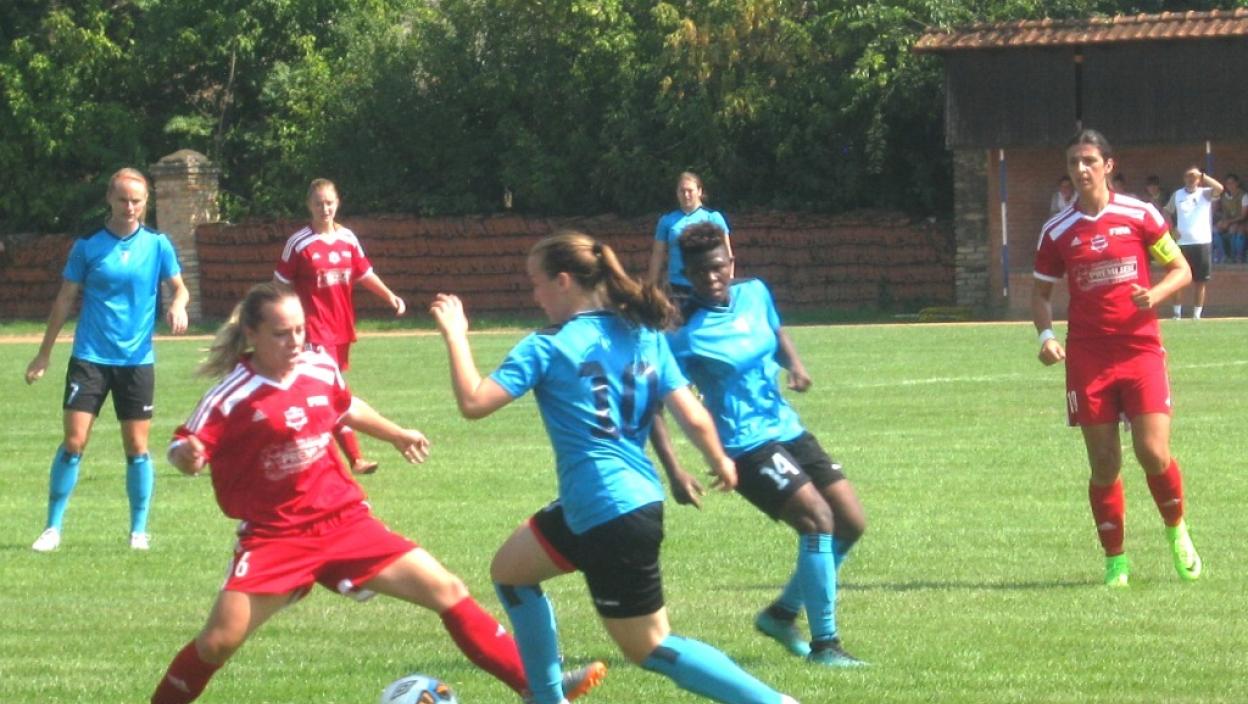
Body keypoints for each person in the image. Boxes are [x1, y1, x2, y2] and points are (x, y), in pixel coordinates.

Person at [149, 283, 605, 704]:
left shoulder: (318, 366)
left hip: (343, 520)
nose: (295, 342)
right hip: (277, 535)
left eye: (300, 330)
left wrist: (396, 433)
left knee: (447, 590)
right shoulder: (232, 394)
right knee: (217, 642)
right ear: (251, 334)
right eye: (281, 334)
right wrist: (187, 457)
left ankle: (536, 688)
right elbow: (183, 446)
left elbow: (345, 407)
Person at [431, 232, 798, 704]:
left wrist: (455, 336)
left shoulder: (549, 345)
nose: (535, 295)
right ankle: (546, 698)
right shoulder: (644, 335)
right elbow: (692, 415)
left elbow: (474, 402)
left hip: (607, 512)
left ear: (564, 281)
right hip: (617, 501)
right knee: (511, 572)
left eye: (537, 283)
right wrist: (720, 461)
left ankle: (773, 702)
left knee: (650, 646)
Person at [649, 222, 866, 667]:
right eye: (699, 272)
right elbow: (654, 402)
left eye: (717, 267)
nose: (711, 278)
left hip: (786, 427)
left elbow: (776, 332)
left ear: (731, 263)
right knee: (817, 521)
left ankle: (781, 615)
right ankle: (825, 646)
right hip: (743, 446)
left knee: (850, 523)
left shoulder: (755, 293)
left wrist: (795, 365)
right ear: (686, 274)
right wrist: (674, 470)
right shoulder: (681, 332)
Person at [1032, 129, 1201, 588]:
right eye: (1073, 162)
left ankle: (1176, 530)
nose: (1080, 169)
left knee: (1152, 452)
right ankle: (1116, 563)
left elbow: (1181, 269)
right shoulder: (1057, 230)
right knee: (1105, 464)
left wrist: (1156, 295)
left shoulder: (1140, 214)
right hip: (1088, 357)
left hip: (1139, 349)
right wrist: (1046, 336)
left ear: (1108, 165)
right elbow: (1040, 295)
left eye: (1089, 160)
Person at [25, 167, 190, 552]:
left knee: (136, 447)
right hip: (90, 358)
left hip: (137, 361)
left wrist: (178, 305)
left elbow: (179, 288)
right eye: (123, 200)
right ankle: (52, 528)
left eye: (136, 201)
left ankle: (138, 532)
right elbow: (65, 299)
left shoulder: (158, 245)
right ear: (109, 200)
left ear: (145, 202)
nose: (129, 207)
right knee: (74, 441)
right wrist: (44, 353)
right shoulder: (88, 246)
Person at [275, 178, 406, 474]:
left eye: (329, 203)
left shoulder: (347, 238)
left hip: (341, 330)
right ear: (309, 206)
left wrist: (389, 296)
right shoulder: (299, 243)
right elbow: (279, 284)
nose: (325, 208)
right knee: (334, 391)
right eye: (318, 203)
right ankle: (355, 458)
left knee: (318, 393)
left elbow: (364, 272)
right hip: (313, 331)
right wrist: (287, 320)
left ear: (338, 203)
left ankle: (295, 446)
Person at [647, 171, 732, 303]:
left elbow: (727, 254)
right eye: (682, 191)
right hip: (677, 287)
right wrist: (650, 287)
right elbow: (657, 255)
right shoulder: (667, 220)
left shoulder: (713, 217)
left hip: (706, 285)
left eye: (690, 191)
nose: (686, 195)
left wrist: (728, 282)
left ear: (699, 191)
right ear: (677, 193)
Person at [1163, 166, 1223, 320]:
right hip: (1182, 243)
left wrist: (1203, 175)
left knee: (1200, 280)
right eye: (1188, 176)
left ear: (1198, 179)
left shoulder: (1205, 193)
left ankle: (1196, 315)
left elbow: (1220, 188)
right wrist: (1172, 228)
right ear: (1184, 178)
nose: (1191, 179)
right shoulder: (1177, 194)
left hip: (1202, 242)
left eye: (1194, 176)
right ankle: (1177, 314)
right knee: (1178, 278)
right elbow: (1166, 211)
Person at [1214, 173, 1248, 264]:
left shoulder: (1244, 196)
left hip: (1243, 221)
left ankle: (1238, 257)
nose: (1230, 186)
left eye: (1232, 183)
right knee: (1215, 230)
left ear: (1237, 183)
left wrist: (1229, 222)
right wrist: (1223, 221)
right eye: (1228, 183)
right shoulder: (1224, 197)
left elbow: (1243, 216)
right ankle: (1223, 256)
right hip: (1230, 221)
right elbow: (1222, 212)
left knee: (1236, 230)